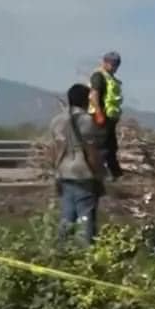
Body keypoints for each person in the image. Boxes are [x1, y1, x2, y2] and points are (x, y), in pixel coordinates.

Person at [50, 84, 106, 243]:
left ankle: (61, 250)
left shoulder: (57, 120)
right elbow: (91, 151)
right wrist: (98, 174)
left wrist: (56, 172)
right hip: (83, 173)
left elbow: (54, 150)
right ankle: (86, 255)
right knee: (85, 216)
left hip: (63, 171)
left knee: (67, 214)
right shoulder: (87, 121)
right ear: (85, 101)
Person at [89, 51, 124, 180]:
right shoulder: (99, 76)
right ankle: (97, 175)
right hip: (100, 117)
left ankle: (116, 175)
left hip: (110, 119)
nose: (115, 67)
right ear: (105, 62)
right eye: (112, 64)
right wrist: (98, 113)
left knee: (111, 147)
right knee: (101, 147)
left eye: (116, 64)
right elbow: (94, 94)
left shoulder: (111, 78)